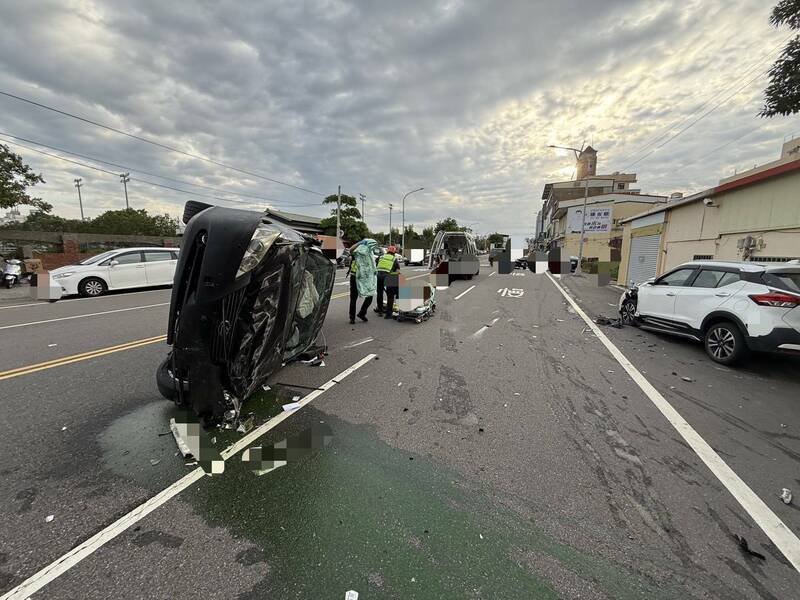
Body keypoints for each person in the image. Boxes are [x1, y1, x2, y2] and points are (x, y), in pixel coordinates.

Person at [348, 239, 378, 323]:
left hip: (366, 277)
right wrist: (360, 243)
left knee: (370, 294)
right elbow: (350, 250)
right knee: (354, 297)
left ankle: (361, 313)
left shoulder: (370, 253)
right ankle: (352, 317)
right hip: (355, 276)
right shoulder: (357, 251)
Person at [374, 245, 401, 316]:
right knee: (390, 295)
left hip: (379, 276)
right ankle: (389, 313)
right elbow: (398, 271)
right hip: (388, 276)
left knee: (379, 293)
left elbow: (376, 265)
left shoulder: (381, 257)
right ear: (394, 252)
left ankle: (380, 311)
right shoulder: (394, 259)